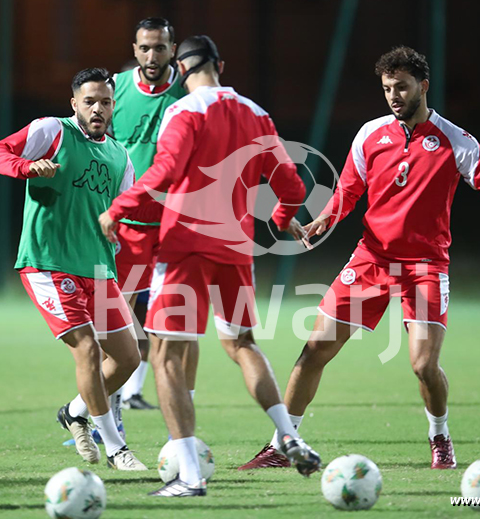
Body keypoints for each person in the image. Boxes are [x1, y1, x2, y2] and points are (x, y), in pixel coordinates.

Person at [238, 45, 480, 471]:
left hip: (426, 266)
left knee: (424, 366)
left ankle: (439, 436)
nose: (394, 96)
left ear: (423, 87)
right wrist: (323, 220)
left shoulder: (454, 140)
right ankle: (284, 444)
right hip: (371, 258)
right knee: (314, 348)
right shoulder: (371, 134)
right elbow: (350, 190)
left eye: (402, 87)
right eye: (388, 88)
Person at [99, 35, 322, 496]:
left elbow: (164, 173)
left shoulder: (183, 111)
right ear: (220, 64)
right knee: (242, 343)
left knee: (164, 356)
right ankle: (288, 434)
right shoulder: (256, 113)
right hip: (236, 249)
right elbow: (293, 186)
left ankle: (191, 476)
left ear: (180, 70)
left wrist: (117, 208)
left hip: (185, 249)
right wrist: (280, 221)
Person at [0, 68, 147, 471]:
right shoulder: (52, 131)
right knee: (87, 350)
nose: (97, 108)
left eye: (105, 102)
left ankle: (75, 412)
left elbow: (126, 213)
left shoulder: (120, 156)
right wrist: (25, 167)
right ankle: (116, 447)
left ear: (113, 106)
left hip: (98, 269)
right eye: (89, 101)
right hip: (49, 264)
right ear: (74, 103)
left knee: (128, 358)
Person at [111, 17, 198, 411]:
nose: (152, 55)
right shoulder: (115, 88)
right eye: (145, 47)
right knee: (115, 322)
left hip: (173, 226)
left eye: (160, 47)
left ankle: (181, 413)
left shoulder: (187, 92)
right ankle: (104, 412)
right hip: (125, 226)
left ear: (173, 49)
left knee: (179, 321)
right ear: (134, 49)